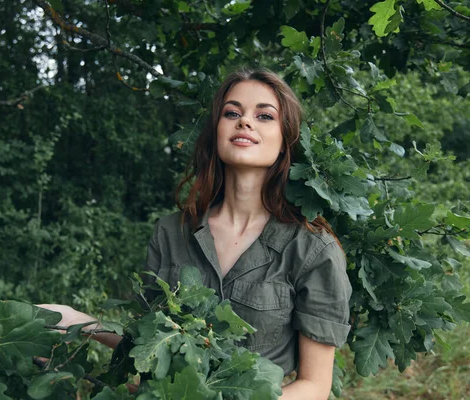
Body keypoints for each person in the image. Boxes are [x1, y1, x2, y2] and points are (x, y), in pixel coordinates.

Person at [40, 67, 352, 400]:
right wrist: (79, 323)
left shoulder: (312, 249)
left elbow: (315, 386)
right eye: (232, 113)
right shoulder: (171, 233)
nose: (245, 122)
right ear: (216, 131)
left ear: (285, 140)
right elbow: (151, 347)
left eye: (264, 116)